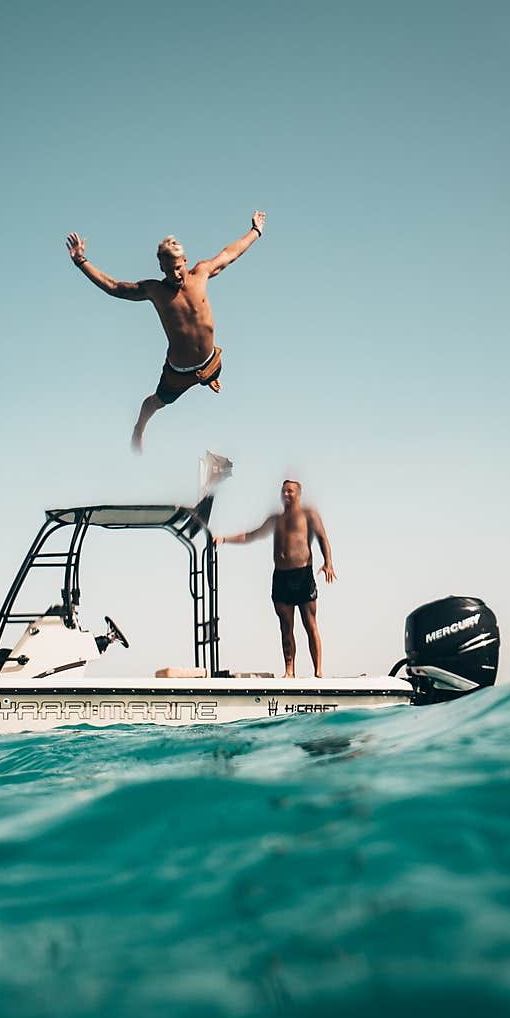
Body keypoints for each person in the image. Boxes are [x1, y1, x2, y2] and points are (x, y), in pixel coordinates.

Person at [65, 211, 266, 452]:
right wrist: (80, 261)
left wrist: (256, 231)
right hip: (178, 372)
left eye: (179, 268)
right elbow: (115, 288)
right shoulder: (155, 290)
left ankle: (210, 377)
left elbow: (230, 254)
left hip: (212, 360)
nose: (175, 275)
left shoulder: (201, 273)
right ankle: (140, 426)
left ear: (185, 261)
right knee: (155, 403)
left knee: (213, 373)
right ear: (161, 266)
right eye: (169, 270)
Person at [214, 480, 336, 678]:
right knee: (285, 627)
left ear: (299, 494)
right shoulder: (275, 519)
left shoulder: (309, 514)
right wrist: (224, 539)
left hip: (303, 574)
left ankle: (318, 672)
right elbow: (251, 535)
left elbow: (323, 538)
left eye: (290, 491)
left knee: (310, 624)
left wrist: (328, 562)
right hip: (281, 577)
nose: (286, 494)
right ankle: (289, 672)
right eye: (284, 491)